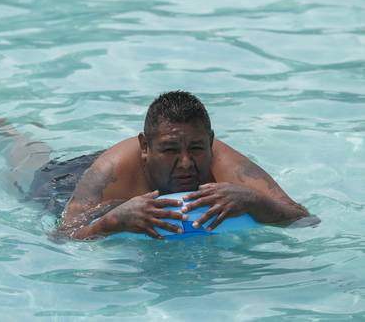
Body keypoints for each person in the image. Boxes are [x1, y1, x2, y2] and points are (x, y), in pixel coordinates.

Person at [51, 91, 310, 239]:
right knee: (30, 157)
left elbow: (304, 219)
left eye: (196, 149)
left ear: (210, 142)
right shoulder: (108, 173)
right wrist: (110, 222)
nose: (186, 163)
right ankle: (10, 133)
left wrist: (254, 200)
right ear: (145, 147)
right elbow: (61, 238)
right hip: (65, 180)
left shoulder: (225, 163)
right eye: (170, 150)